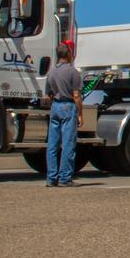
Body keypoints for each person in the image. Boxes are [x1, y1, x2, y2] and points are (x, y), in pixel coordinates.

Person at [44, 43, 83, 187]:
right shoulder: (73, 72)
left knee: (52, 145)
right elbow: (77, 95)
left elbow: (48, 95)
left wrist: (52, 107)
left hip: (55, 106)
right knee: (68, 144)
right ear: (68, 54)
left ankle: (51, 178)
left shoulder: (51, 72)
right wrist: (80, 114)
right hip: (68, 106)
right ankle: (65, 178)